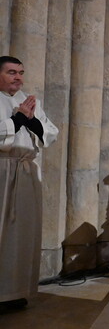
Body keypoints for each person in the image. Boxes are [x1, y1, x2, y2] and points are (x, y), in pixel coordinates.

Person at [0, 57, 58, 310]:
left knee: (22, 232)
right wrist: (19, 119)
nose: (18, 78)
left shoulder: (28, 100)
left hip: (25, 172)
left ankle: (16, 291)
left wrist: (31, 119)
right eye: (11, 72)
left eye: (21, 73)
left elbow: (50, 133)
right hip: (2, 171)